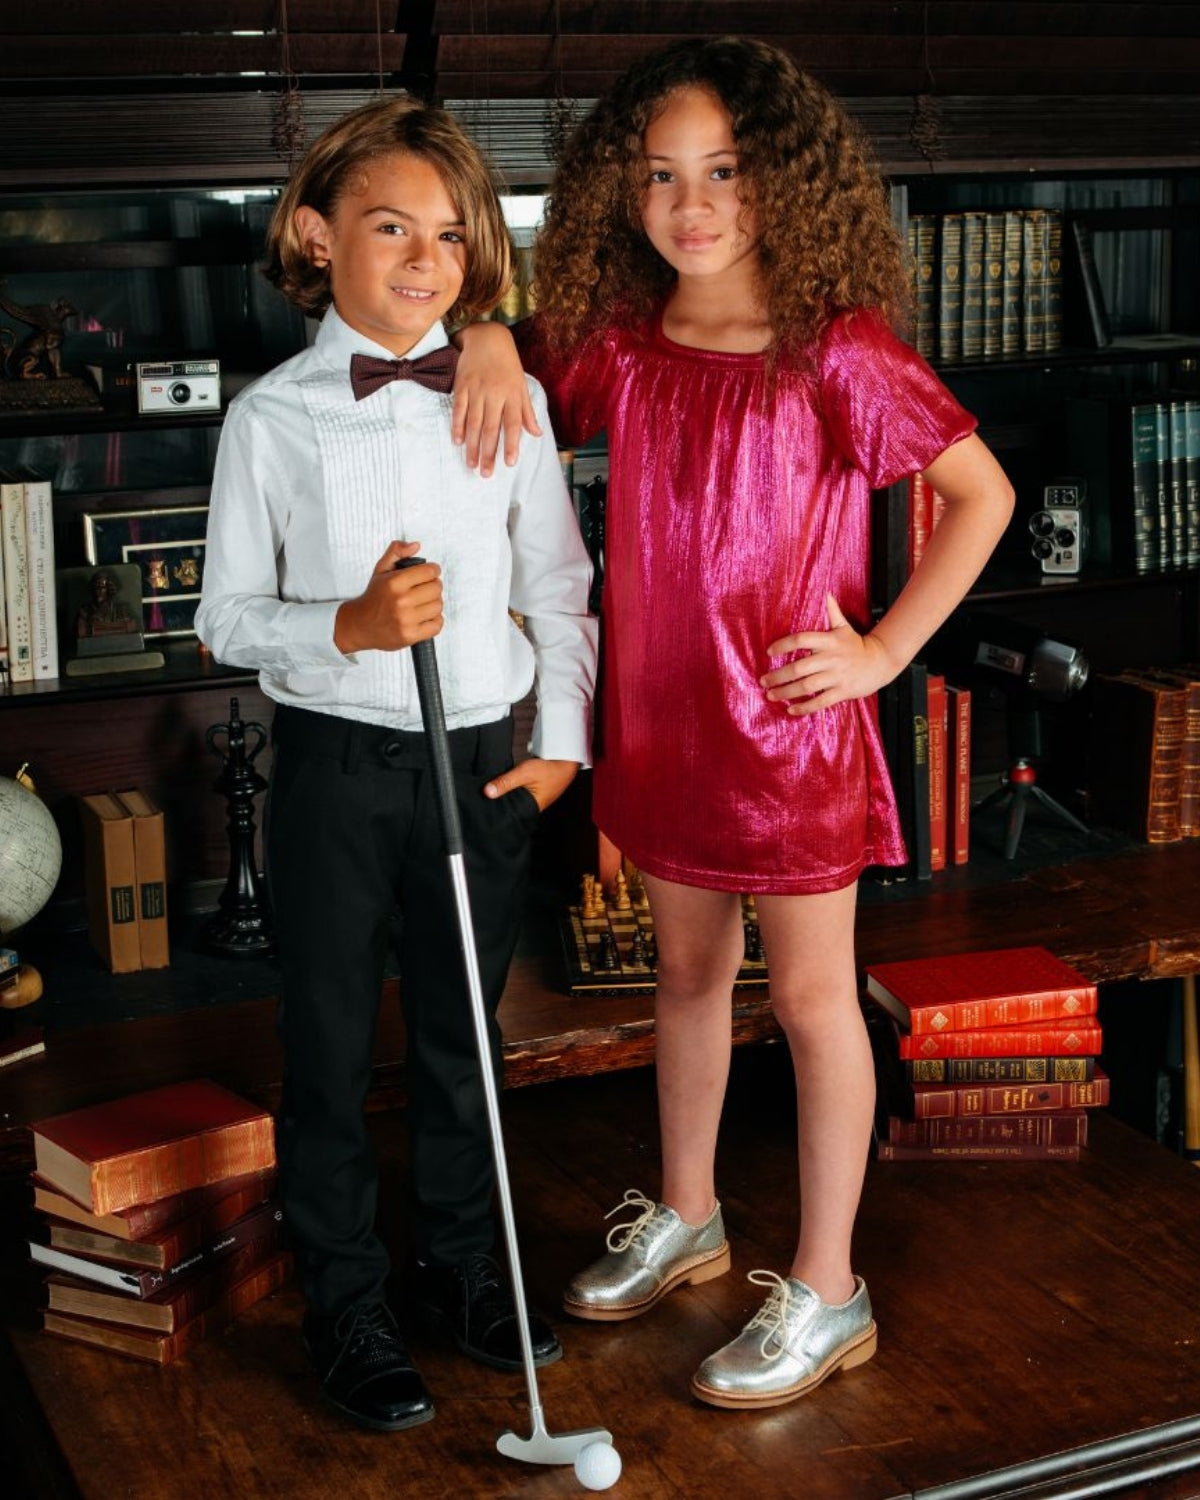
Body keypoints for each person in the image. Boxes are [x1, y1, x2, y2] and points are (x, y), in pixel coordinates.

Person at [455, 36, 1014, 1410]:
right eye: (660, 176)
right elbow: (507, 380)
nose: (689, 205)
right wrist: (478, 328)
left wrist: (884, 650)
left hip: (789, 735)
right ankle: (691, 1216)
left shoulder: (842, 349)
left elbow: (982, 494)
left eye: (722, 173)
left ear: (786, 185)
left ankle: (828, 1286)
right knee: (687, 982)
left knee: (817, 1002)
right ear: (619, 192)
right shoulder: (620, 343)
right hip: (664, 723)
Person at [195, 96, 597, 1435]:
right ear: (314, 233)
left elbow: (561, 585)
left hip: (479, 761)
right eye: (388, 227)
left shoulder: (510, 390)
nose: (424, 259)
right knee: (322, 1043)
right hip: (334, 772)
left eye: (448, 236)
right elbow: (227, 618)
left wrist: (561, 750)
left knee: (459, 1038)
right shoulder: (272, 419)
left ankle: (462, 1266)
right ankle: (347, 1299)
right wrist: (348, 627)